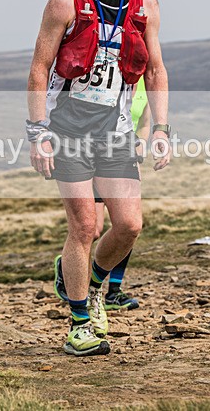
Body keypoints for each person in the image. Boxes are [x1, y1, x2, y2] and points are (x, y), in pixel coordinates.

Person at [27, 0, 171, 356]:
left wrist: (162, 127)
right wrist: (37, 132)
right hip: (68, 128)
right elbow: (39, 69)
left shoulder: (144, 3)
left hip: (116, 129)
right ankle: (79, 324)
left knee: (128, 226)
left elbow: (157, 72)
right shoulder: (65, 1)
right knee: (85, 226)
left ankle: (87, 283)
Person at [54, 76, 151, 311]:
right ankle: (70, 272)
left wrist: (140, 144)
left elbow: (145, 120)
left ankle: (112, 290)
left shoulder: (144, 87)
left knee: (126, 225)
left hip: (122, 153)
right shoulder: (109, 80)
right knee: (93, 229)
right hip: (95, 151)